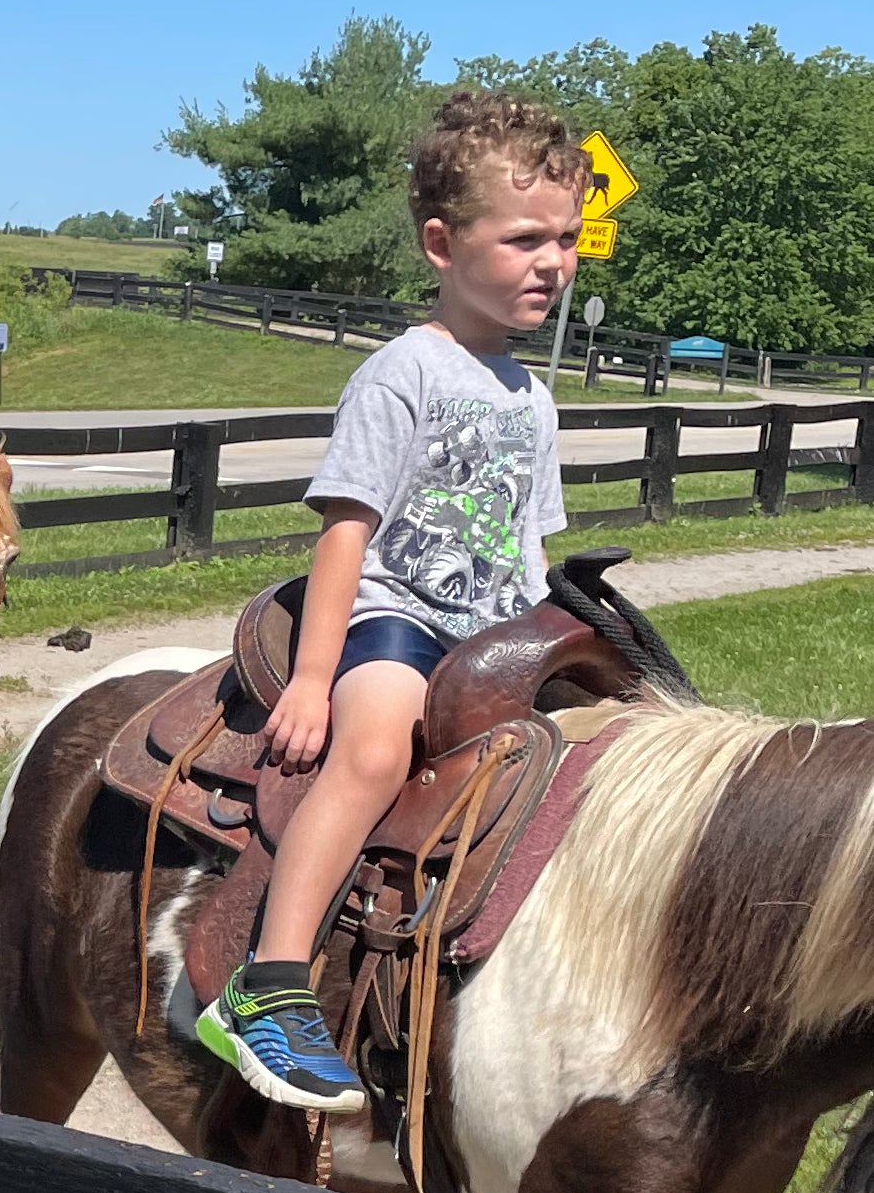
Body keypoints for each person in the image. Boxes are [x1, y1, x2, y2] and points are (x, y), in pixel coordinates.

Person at [193, 91, 585, 1115]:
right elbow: (346, 528)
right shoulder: (402, 373)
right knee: (372, 754)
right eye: (526, 238)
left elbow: (531, 549)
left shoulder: (534, 397)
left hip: (492, 639)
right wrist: (318, 678)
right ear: (443, 244)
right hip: (397, 618)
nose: (553, 261)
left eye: (569, 239)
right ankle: (269, 984)